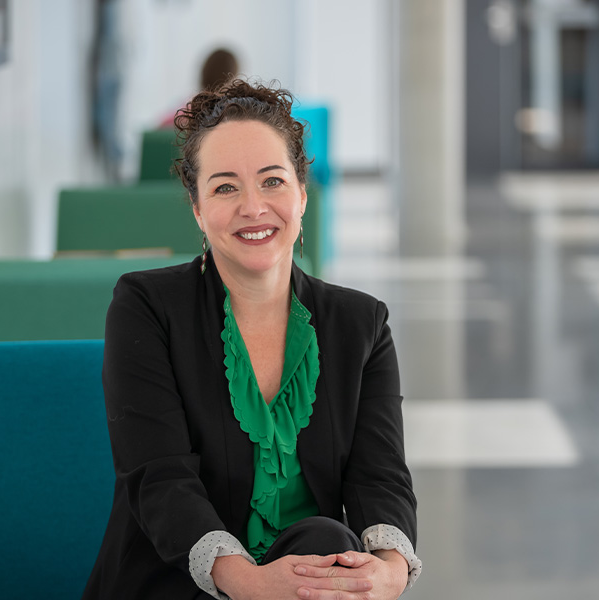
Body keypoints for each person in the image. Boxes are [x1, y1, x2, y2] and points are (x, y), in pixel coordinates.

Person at [82, 79, 421, 599]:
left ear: (302, 196)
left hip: (305, 582)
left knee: (328, 541)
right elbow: (160, 477)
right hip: (177, 581)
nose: (253, 207)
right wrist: (251, 584)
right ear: (197, 209)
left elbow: (380, 476)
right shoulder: (145, 306)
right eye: (224, 187)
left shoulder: (362, 323)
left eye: (272, 181)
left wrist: (390, 572)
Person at [159, 48, 240, 129]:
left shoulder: (186, 109)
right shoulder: (235, 114)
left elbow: (160, 128)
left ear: (203, 74)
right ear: (233, 78)